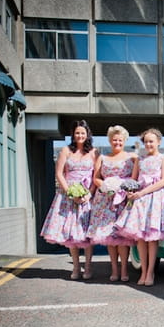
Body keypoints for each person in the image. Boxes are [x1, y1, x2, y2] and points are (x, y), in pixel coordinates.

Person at [40, 120, 98, 280]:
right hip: (68, 196)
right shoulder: (65, 151)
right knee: (71, 234)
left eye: (83, 133)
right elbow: (59, 173)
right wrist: (70, 193)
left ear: (87, 135)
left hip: (87, 196)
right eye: (77, 133)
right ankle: (76, 267)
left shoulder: (94, 152)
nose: (80, 136)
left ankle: (88, 266)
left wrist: (89, 194)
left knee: (87, 234)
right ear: (73, 135)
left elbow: (96, 176)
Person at [114, 128, 164, 286]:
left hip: (155, 198)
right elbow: (133, 180)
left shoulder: (163, 158)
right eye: (146, 141)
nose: (148, 144)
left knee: (152, 239)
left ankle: (151, 272)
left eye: (151, 141)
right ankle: (143, 271)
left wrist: (142, 192)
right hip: (139, 199)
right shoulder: (140, 159)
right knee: (140, 237)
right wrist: (131, 192)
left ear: (158, 142)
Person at [86, 125, 137, 282]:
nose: (117, 142)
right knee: (110, 238)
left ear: (124, 140)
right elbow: (96, 177)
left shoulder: (132, 157)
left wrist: (124, 187)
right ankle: (114, 270)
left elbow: (135, 178)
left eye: (120, 140)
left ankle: (124, 271)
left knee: (122, 238)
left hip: (123, 200)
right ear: (110, 140)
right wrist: (106, 185)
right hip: (105, 201)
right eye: (114, 139)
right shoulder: (102, 158)